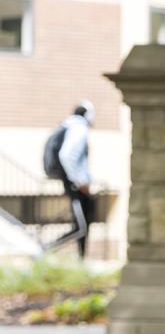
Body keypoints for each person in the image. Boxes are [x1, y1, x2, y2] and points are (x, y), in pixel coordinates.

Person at [43, 101, 98, 258]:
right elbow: (67, 155)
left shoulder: (68, 125)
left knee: (81, 222)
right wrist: (80, 181)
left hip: (72, 180)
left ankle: (79, 257)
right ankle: (48, 249)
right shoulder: (79, 128)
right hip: (75, 183)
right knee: (82, 224)